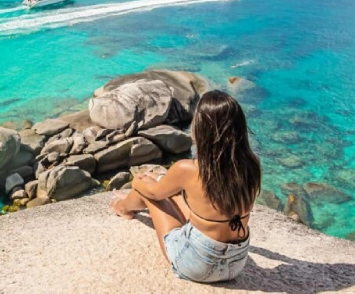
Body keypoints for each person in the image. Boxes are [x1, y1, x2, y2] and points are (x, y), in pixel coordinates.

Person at [111, 90, 261, 283]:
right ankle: (130, 202)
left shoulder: (188, 169)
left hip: (198, 264)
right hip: (237, 262)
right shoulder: (251, 164)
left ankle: (122, 207)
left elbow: (154, 194)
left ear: (201, 129)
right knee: (165, 186)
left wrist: (138, 180)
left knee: (148, 188)